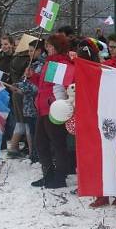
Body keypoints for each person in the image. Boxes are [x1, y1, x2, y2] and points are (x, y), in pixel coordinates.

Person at [29, 34, 73, 189]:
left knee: (57, 143)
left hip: (54, 109)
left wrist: (58, 105)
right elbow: (45, 85)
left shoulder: (61, 63)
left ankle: (60, 176)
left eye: (49, 45)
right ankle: (48, 174)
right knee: (40, 142)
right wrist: (33, 77)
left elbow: (60, 87)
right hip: (44, 107)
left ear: (56, 46)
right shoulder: (51, 62)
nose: (46, 48)